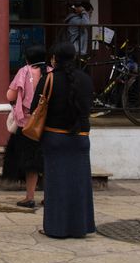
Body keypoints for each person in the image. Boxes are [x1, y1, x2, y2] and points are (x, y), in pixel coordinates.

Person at [32, 42, 95, 239]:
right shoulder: (86, 79)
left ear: (55, 59)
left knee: (56, 184)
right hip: (81, 138)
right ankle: (80, 227)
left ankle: (56, 227)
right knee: (80, 183)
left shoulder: (49, 79)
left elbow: (35, 105)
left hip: (54, 137)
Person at [3, 45, 49, 208]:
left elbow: (11, 95)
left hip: (28, 124)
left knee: (31, 163)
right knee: (46, 161)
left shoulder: (25, 71)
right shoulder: (50, 72)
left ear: (28, 58)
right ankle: (49, 196)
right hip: (47, 123)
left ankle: (30, 197)